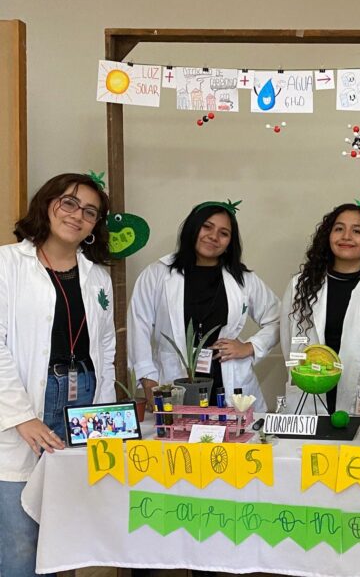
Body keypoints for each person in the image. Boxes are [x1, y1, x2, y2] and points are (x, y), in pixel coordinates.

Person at [0, 173, 116, 577]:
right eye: (68, 203)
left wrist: (102, 423)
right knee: (18, 541)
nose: (77, 215)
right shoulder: (6, 263)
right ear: (47, 203)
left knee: (67, 535)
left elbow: (105, 352)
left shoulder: (98, 277)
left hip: (82, 403)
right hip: (27, 404)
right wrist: (21, 416)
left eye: (89, 212)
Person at [128, 200, 280, 413]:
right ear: (192, 227)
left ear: (230, 242)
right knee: (177, 442)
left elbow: (279, 319)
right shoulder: (157, 274)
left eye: (224, 233)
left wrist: (250, 346)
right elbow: (139, 327)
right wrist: (148, 380)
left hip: (227, 379)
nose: (213, 236)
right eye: (207, 227)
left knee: (237, 441)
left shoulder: (243, 279)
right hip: (175, 381)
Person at [281, 203, 360, 414]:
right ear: (328, 237)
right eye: (338, 229)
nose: (346, 236)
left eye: (356, 231)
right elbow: (287, 340)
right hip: (309, 395)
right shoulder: (300, 286)